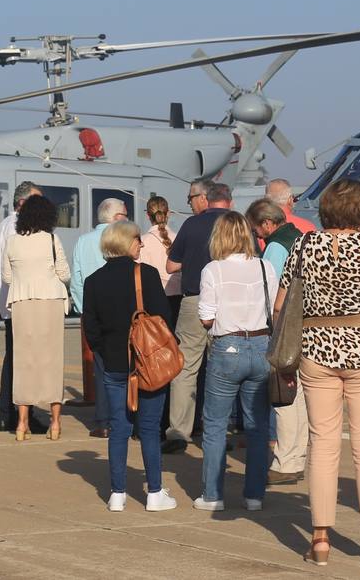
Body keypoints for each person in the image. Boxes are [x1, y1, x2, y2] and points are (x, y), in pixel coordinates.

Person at [273, 179, 360, 567]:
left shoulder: (304, 245)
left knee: (323, 442)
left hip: (317, 349)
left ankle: (319, 539)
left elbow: (282, 304)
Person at [81, 220, 177, 513]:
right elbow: (164, 320)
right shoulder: (146, 275)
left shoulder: (93, 281)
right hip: (146, 364)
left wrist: (106, 352)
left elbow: (91, 328)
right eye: (137, 238)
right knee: (148, 428)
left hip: (113, 364)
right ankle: (154, 493)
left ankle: (117, 493)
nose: (142, 243)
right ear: (126, 242)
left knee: (118, 429)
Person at [192, 211, 277, 511]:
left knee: (215, 424)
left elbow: (206, 318)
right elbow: (273, 308)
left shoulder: (213, 269)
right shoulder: (265, 266)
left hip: (227, 346)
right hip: (261, 343)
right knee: (257, 426)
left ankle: (213, 495)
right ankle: (254, 495)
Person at [162, 180, 231, 453]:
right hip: (228, 302)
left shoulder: (191, 225)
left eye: (191, 198)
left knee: (186, 366)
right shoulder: (237, 224)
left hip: (194, 298)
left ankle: (179, 431)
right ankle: (219, 430)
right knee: (222, 368)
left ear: (204, 198)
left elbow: (171, 263)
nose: (190, 203)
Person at [246, 198, 307, 485]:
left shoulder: (275, 247)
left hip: (285, 328)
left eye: (258, 231)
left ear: (268, 224)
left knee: (284, 397)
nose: (258, 237)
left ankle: (284, 463)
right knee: (303, 397)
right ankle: (297, 458)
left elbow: (269, 292)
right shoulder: (302, 238)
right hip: (307, 327)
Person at [1, 194, 70, 441]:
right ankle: (55, 423)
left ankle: (21, 424)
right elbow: (64, 273)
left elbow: (8, 278)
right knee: (52, 360)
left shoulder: (12, 242)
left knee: (24, 362)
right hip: (50, 301)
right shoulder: (52, 239)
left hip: (21, 302)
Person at [71, 196, 129, 438]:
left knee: (101, 366)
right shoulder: (123, 240)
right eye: (125, 215)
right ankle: (126, 416)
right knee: (126, 366)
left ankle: (104, 421)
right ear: (117, 218)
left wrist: (85, 311)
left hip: (93, 312)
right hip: (123, 311)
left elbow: (76, 280)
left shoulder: (82, 242)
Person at [0, 182, 45, 434]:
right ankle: (21, 414)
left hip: (11, 302)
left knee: (13, 360)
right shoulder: (19, 227)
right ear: (23, 202)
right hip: (21, 302)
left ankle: (8, 413)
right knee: (24, 362)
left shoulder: (6, 224)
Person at [138, 196, 181, 326]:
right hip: (177, 297)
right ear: (168, 213)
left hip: (151, 298)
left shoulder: (141, 242)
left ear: (147, 215)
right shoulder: (179, 238)